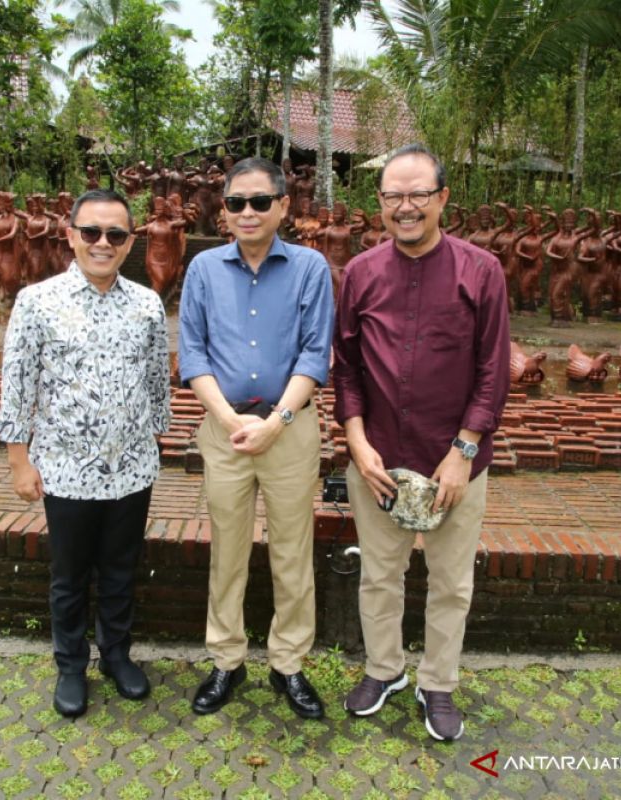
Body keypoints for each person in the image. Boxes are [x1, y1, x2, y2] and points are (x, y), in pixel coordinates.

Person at [334, 144, 510, 742]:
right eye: (392, 196)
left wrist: (462, 453)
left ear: (441, 199)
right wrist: (357, 442)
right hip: (378, 458)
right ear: (378, 203)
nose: (405, 207)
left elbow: (493, 371)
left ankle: (439, 682)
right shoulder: (359, 273)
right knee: (379, 574)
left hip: (454, 461)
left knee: (450, 581)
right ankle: (384, 670)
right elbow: (347, 367)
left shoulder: (481, 271)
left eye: (417, 195)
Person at [0, 189, 171, 719]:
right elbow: (17, 383)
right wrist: (18, 460)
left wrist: (153, 442)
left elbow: (158, 383)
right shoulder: (37, 301)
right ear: (70, 235)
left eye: (115, 235)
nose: (102, 243)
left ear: (129, 243)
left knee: (120, 571)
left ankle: (116, 656)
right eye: (91, 232)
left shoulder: (147, 304)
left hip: (131, 470)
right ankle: (70, 666)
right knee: (69, 577)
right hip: (66, 471)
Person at [178, 157, 334, 719]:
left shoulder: (311, 268)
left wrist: (277, 422)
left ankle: (288, 664)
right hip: (225, 430)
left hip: (288, 429)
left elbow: (317, 353)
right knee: (228, 550)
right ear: (223, 210)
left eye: (260, 201)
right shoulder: (203, 270)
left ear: (283, 207)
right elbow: (192, 352)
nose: (248, 212)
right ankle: (227, 659)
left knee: (293, 551)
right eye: (236, 203)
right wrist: (226, 418)